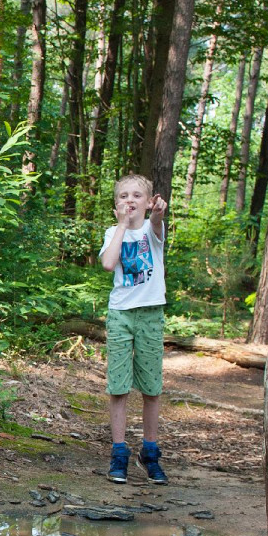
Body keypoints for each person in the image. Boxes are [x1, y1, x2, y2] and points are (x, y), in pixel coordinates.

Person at [98, 173, 170, 485]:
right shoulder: (113, 232)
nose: (130, 200)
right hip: (121, 315)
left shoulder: (154, 230)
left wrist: (157, 215)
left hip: (151, 314)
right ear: (116, 204)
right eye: (124, 196)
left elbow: (155, 225)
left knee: (151, 387)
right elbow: (109, 264)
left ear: (150, 201)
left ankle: (149, 453)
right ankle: (119, 452)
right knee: (119, 385)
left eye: (137, 195)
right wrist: (122, 227)